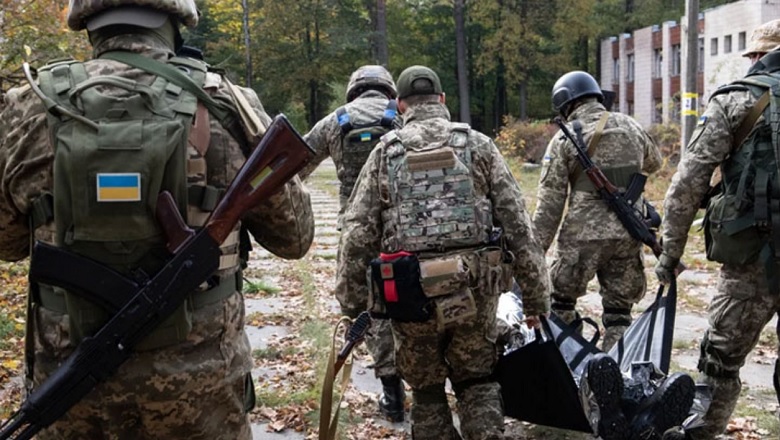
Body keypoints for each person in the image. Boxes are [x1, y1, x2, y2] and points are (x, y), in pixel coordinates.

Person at [0, 1, 314, 439]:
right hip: (204, 396)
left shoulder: (29, 106)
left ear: (87, 24)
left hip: (70, 394)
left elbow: (8, 243)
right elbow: (294, 237)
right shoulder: (224, 102)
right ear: (174, 21)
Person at [336, 64, 550, 440]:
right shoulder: (479, 146)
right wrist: (536, 298)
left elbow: (357, 233)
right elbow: (520, 226)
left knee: (427, 389)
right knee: (477, 380)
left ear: (400, 104)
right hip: (475, 291)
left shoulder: (386, 153)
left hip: (410, 296)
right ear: (443, 100)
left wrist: (354, 304)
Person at [656, 18, 780, 440]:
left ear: (759, 57)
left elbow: (687, 184)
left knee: (719, 364)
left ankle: (701, 433)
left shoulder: (736, 101)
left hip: (751, 260)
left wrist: (669, 253)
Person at [298, 65, 405, 422]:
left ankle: (391, 392)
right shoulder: (400, 119)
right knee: (409, 300)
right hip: (401, 230)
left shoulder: (335, 120)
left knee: (366, 307)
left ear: (353, 90)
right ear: (389, 90)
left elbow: (298, 167)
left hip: (357, 230)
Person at [533, 70, 662, 352]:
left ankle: (574, 359)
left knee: (561, 303)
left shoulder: (564, 140)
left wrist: (533, 254)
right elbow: (655, 163)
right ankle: (616, 373)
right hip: (629, 233)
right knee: (619, 313)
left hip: (582, 239)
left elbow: (550, 205)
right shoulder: (632, 127)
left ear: (565, 103)